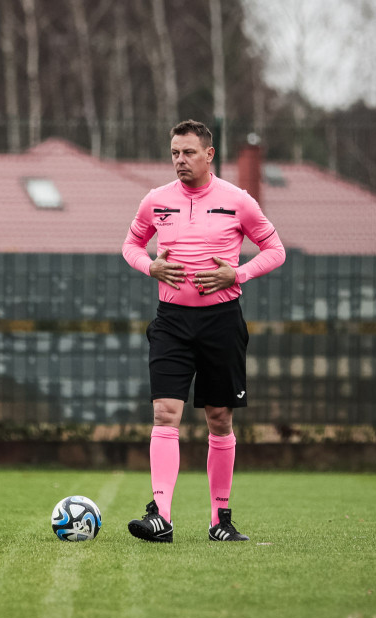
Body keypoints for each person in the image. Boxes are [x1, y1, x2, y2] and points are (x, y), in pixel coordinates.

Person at [121, 120, 285, 543]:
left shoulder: (237, 200)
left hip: (221, 321)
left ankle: (220, 521)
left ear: (208, 155)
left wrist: (239, 274)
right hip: (171, 322)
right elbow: (131, 246)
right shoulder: (155, 201)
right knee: (164, 414)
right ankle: (161, 515)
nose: (180, 160)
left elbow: (275, 250)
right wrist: (150, 265)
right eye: (175, 152)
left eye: (188, 152)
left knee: (219, 418)